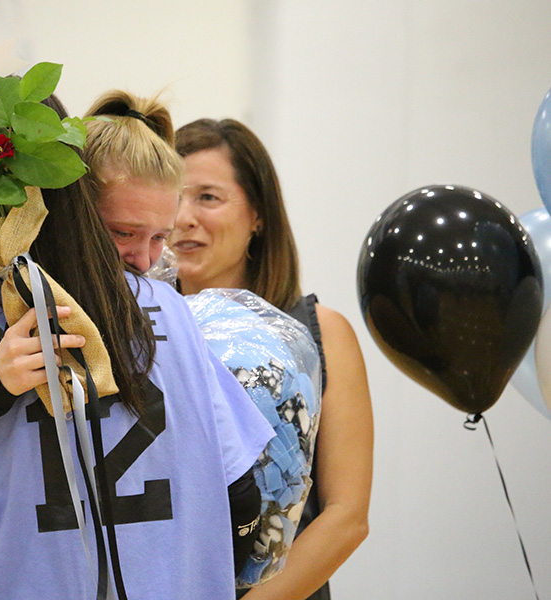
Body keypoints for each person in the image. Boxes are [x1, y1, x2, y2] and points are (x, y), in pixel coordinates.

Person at [0, 91, 272, 598]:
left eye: (161, 238)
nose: (142, 260)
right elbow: (241, 496)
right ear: (71, 211)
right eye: (124, 233)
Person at [170, 118, 373, 600]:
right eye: (172, 196)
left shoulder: (321, 331)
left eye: (207, 197)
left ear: (257, 215)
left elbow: (347, 517)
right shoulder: (138, 330)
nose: (183, 218)